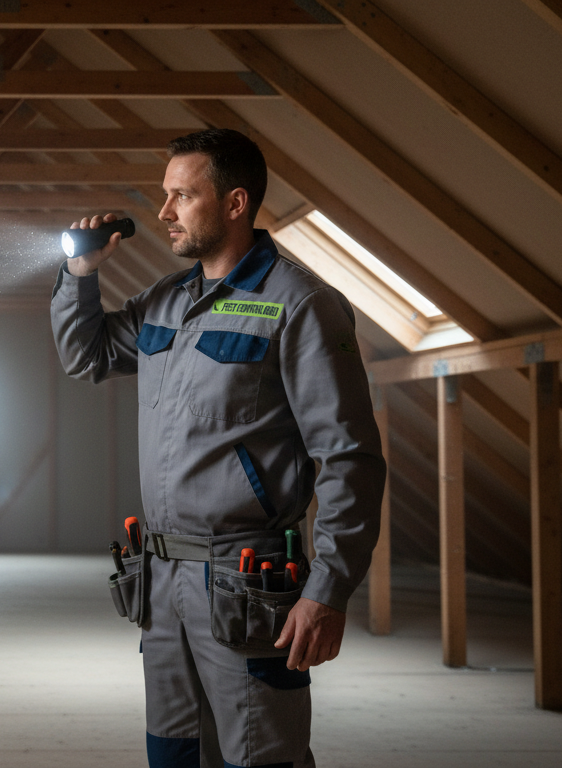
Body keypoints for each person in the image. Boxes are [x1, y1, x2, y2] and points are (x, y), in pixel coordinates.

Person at [50, 128, 385, 768]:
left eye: (183, 195)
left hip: (246, 579)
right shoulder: (166, 303)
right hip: (163, 580)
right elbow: (85, 354)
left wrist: (328, 589)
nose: (164, 212)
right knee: (172, 753)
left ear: (235, 203)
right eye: (164, 195)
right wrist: (80, 271)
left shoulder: (301, 304)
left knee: (260, 755)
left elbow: (349, 459)